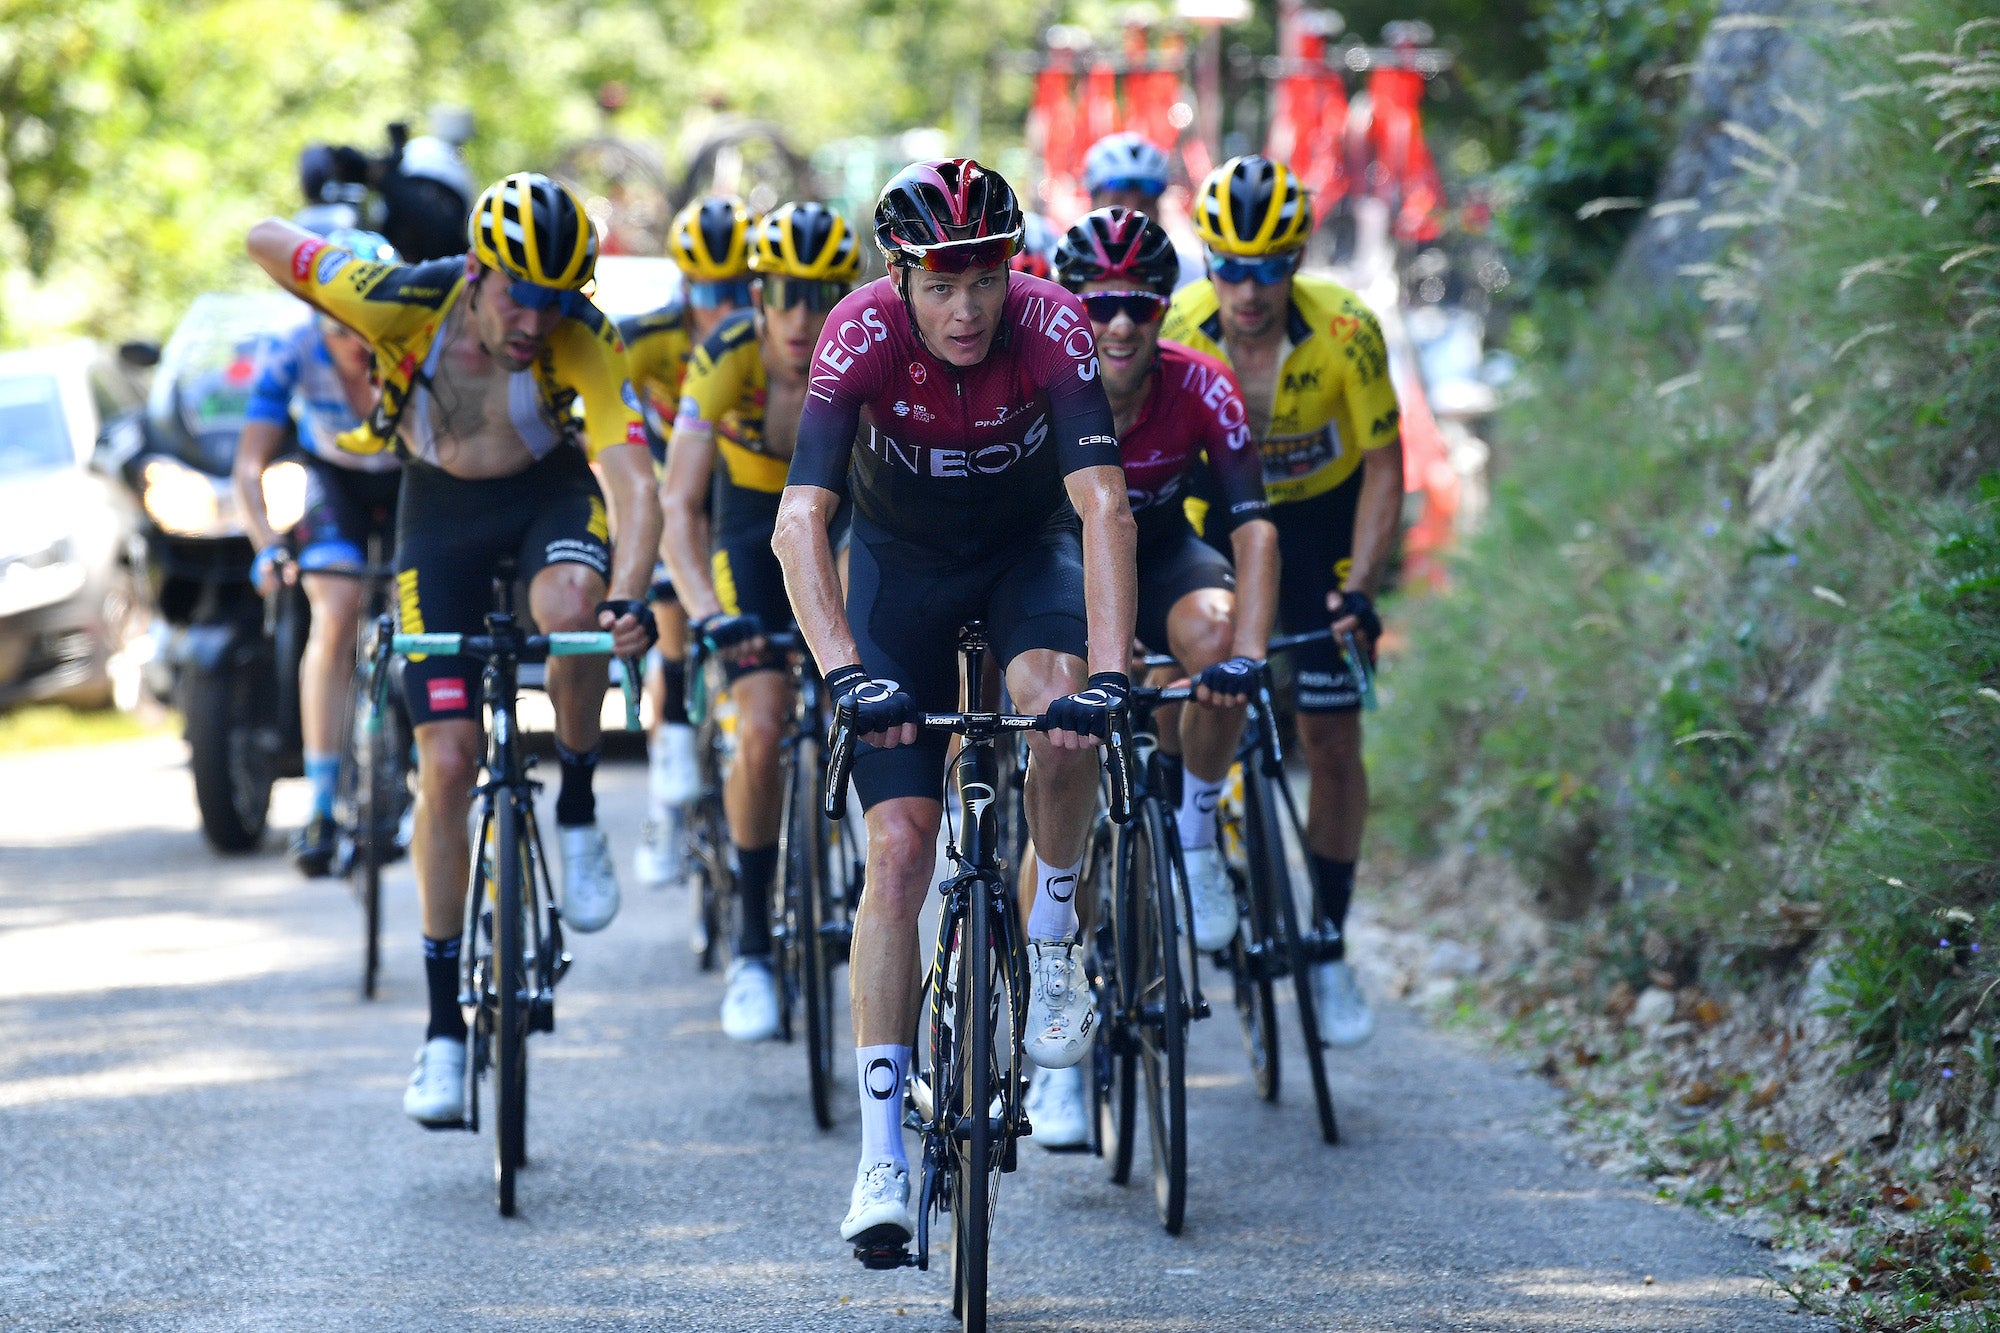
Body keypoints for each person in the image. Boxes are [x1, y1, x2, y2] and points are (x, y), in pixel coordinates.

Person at [772, 158, 1136, 1254]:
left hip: (1024, 559)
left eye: (982, 278)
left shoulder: (1054, 324)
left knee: (1061, 712)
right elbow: (800, 525)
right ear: (901, 278)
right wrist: (845, 672)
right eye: (939, 283)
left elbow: (1102, 505)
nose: (964, 307)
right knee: (898, 849)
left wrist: (1113, 673)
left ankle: (1056, 930)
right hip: (901, 569)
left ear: (1010, 269)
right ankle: (881, 1151)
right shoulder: (857, 331)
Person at [246, 172, 662, 1126]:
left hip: (545, 491)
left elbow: (631, 480)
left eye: (560, 300)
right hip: (437, 507)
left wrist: (631, 592)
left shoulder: (582, 338)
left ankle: (582, 806)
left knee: (573, 601)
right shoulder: (404, 299)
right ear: (477, 272)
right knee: (446, 759)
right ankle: (442, 1031)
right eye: (522, 295)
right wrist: (319, 284)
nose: (536, 321)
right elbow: (266, 236)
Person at [1030, 205, 1278, 1145]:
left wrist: (1246, 650)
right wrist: (1102, 654)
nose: (1121, 325)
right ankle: (1053, 1042)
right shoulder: (1037, 388)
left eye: (1139, 304)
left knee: (1213, 640)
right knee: (1062, 754)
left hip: (1168, 552)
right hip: (1059, 558)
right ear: (1068, 309)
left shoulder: (1203, 384)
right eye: (1100, 306)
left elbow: (1252, 526)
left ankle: (1198, 824)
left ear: (1166, 309)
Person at [1163, 155, 1404, 1048]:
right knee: (1190, 680)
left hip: (1318, 525)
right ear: (1209, 259)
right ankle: (1191, 824)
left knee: (1333, 739)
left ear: (1296, 260)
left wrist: (1360, 588)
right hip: (1216, 517)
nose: (1249, 288)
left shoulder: (1348, 328)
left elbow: (1385, 468)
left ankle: (1330, 942)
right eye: (1230, 265)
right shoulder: (1181, 326)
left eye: (1269, 267)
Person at [659, 201, 860, 1041]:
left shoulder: (864, 351)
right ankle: (750, 947)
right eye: (783, 292)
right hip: (747, 523)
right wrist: (704, 613)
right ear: (757, 293)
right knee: (761, 721)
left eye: (819, 294)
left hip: (843, 519)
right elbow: (677, 503)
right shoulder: (724, 354)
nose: (801, 317)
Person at [233, 228, 402, 877]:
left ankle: (416, 756)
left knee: (427, 609)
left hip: (408, 475)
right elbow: (249, 464)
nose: (359, 341)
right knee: (335, 609)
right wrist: (265, 545)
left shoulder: (411, 344)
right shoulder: (293, 348)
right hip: (335, 477)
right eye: (344, 325)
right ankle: (324, 802)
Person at [623, 194, 757, 887]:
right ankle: (670, 754)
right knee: (670, 572)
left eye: (736, 288)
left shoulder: (759, 341)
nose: (721, 305)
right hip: (670, 475)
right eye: (708, 290)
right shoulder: (651, 336)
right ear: (683, 288)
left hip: (735, 479)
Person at [1081, 131, 1202, 288]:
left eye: (1145, 203)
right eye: (1117, 201)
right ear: (1093, 205)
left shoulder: (1192, 277)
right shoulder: (1062, 273)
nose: (1130, 213)